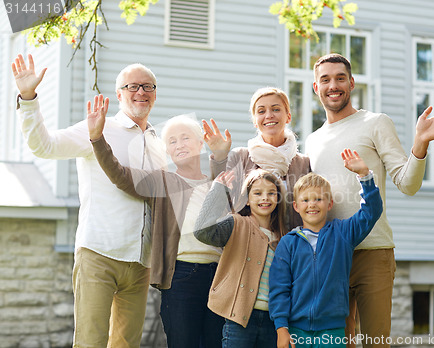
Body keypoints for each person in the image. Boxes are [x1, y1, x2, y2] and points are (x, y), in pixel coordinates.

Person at [305, 53, 434, 347]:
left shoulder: (375, 123)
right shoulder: (312, 141)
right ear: (316, 87)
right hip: (329, 256)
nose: (333, 85)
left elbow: (407, 184)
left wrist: (419, 145)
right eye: (325, 79)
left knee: (375, 342)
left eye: (340, 78)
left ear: (351, 83)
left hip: (373, 252)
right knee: (336, 342)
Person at [12, 54, 166, 347]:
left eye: (148, 87)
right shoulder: (98, 127)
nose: (141, 92)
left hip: (140, 263)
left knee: (126, 345)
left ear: (155, 95)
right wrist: (29, 97)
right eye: (133, 86)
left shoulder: (157, 142)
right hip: (99, 253)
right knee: (90, 342)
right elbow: (43, 146)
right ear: (119, 93)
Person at [87, 98, 225, 348]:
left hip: (218, 276)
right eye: (172, 141)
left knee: (216, 342)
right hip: (182, 276)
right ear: (167, 151)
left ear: (200, 142)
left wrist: (221, 155)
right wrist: (98, 139)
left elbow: (229, 199)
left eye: (185, 138)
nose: (179, 144)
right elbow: (120, 175)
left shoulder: (215, 182)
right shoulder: (161, 182)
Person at [269, 149, 383, 348]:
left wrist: (365, 176)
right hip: (296, 330)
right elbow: (279, 288)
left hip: (333, 330)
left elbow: (371, 212)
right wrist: (281, 329)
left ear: (329, 204)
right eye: (305, 200)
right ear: (296, 206)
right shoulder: (288, 243)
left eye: (318, 199)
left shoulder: (343, 233)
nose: (312, 204)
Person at [193, 169, 288, 348]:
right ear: (247, 198)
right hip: (239, 318)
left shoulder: (284, 237)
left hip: (272, 322)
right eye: (258, 193)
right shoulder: (236, 224)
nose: (265, 198)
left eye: (271, 193)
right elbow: (202, 231)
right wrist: (218, 191)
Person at [203, 87, 310, 230]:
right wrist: (220, 156)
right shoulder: (240, 157)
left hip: (289, 246)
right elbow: (220, 198)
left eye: (276, 109)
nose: (269, 115)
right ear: (254, 121)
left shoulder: (303, 163)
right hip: (248, 244)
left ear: (288, 117)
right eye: (261, 111)